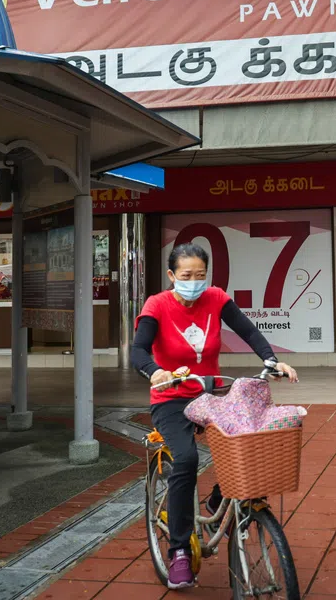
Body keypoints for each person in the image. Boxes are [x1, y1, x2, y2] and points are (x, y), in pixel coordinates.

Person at [131, 243, 298, 590]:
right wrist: (155, 371)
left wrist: (270, 360)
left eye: (200, 275)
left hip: (209, 394)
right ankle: (179, 551)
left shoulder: (217, 299)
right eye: (186, 275)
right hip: (171, 398)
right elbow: (139, 349)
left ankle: (218, 498)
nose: (194, 282)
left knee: (248, 438)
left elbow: (248, 331)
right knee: (186, 459)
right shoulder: (157, 305)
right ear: (172, 275)